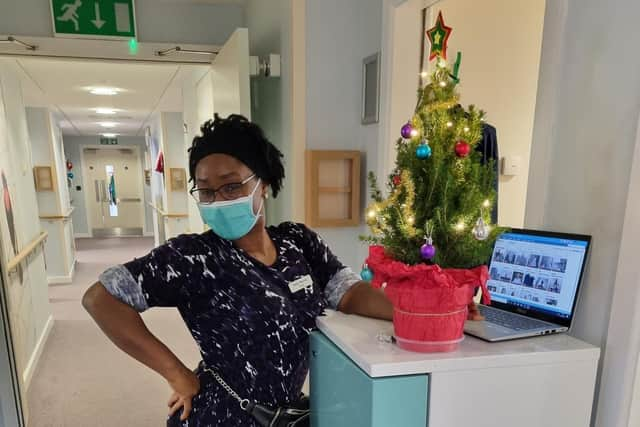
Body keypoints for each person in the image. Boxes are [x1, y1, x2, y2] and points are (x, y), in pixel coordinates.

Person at [82, 114, 481, 426]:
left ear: (265, 184)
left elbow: (348, 292)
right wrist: (176, 373)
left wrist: (427, 313)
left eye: (232, 185)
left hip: (288, 415)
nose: (218, 199)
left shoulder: (297, 242)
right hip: (224, 415)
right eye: (205, 190)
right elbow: (101, 299)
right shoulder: (193, 258)